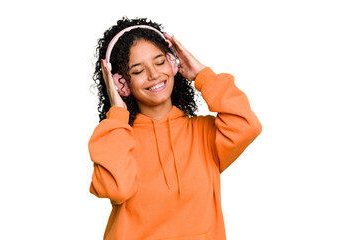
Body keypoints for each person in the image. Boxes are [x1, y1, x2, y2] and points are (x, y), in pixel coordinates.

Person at [88, 16, 262, 240]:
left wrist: (202, 75)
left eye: (160, 62)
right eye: (138, 71)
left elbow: (247, 125)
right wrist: (117, 113)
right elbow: (115, 189)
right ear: (121, 83)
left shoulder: (204, 134)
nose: (154, 75)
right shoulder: (119, 140)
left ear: (173, 64)